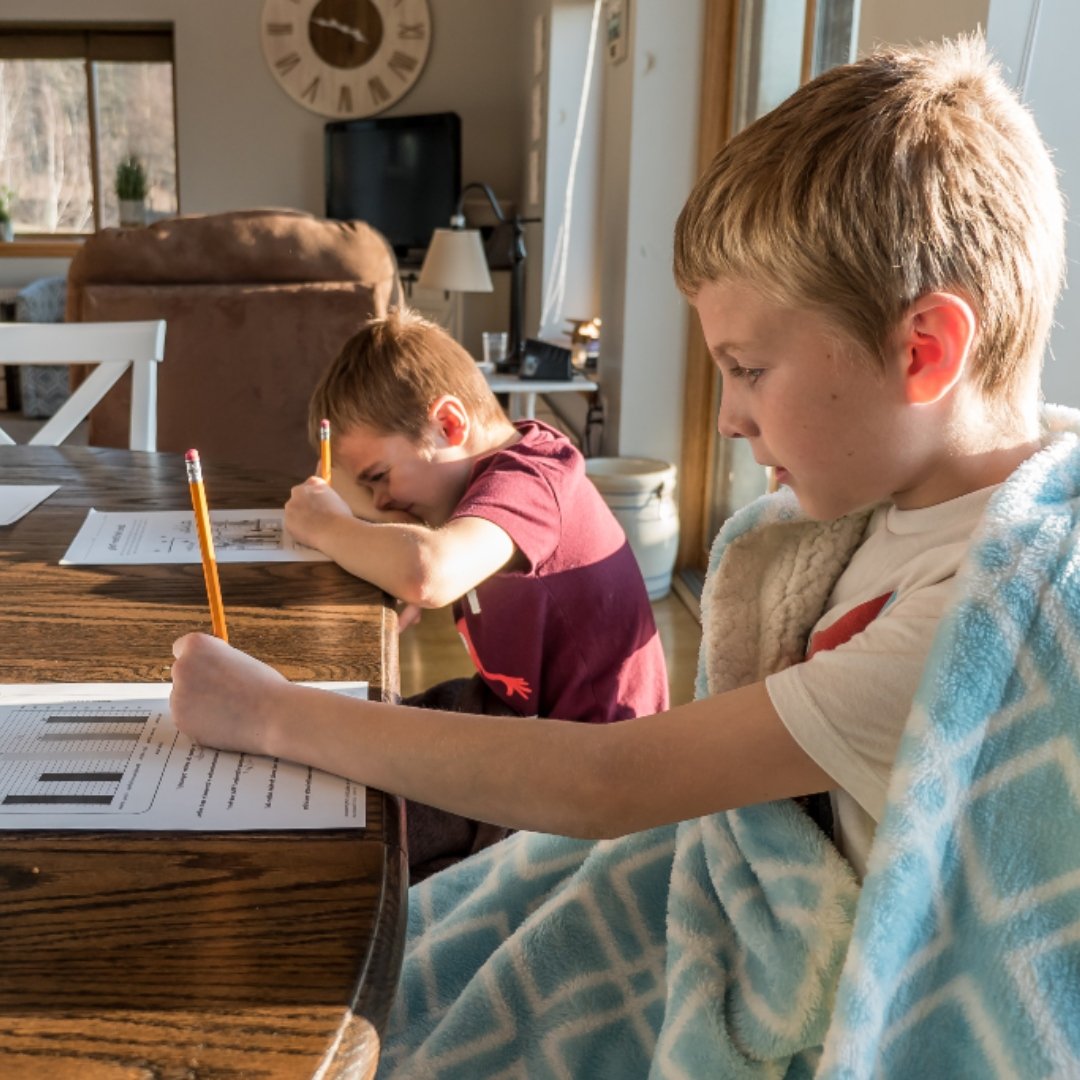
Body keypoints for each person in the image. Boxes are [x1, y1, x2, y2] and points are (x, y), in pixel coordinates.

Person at [169, 38, 1072, 1074]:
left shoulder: (982, 620)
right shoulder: (901, 507)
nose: (727, 416)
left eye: (747, 369)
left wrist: (268, 712)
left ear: (924, 352)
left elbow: (612, 782)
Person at [281, 308, 669, 876]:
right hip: (514, 716)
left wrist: (330, 528)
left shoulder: (532, 479)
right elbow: (415, 555)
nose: (380, 503)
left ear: (450, 425)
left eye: (380, 478)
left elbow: (428, 573)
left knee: (356, 823)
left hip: (587, 776)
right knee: (340, 752)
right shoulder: (474, 483)